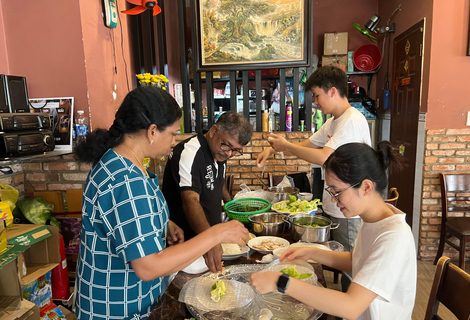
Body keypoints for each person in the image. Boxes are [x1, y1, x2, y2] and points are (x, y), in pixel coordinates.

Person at [74, 86, 249, 320]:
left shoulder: (119, 161)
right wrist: (215, 235)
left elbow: (121, 217)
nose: (174, 141)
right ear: (152, 131)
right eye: (173, 133)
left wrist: (163, 222)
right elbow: (148, 267)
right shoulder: (126, 179)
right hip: (117, 310)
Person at [249, 142, 416, 320]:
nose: (334, 200)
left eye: (337, 191)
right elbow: (355, 260)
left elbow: (351, 307)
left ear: (366, 187)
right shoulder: (374, 220)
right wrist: (311, 252)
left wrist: (280, 281)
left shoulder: (393, 237)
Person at [256, 65, 371, 290]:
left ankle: (350, 309)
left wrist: (285, 145)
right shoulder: (334, 121)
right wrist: (274, 150)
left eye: (317, 96)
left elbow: (323, 158)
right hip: (337, 203)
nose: (315, 102)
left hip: (350, 206)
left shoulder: (351, 121)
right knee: (341, 261)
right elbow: (307, 146)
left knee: (352, 269)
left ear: (333, 91)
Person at [162, 111, 252, 273]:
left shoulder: (220, 152)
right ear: (214, 131)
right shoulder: (189, 152)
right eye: (227, 145)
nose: (229, 153)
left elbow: (219, 183)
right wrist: (210, 242)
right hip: (186, 244)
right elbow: (191, 200)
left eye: (236, 150)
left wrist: (233, 207)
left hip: (209, 240)